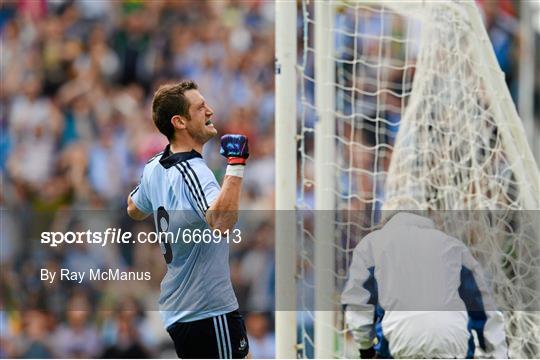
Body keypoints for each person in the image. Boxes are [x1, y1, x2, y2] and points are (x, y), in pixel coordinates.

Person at [127, 80, 249, 358]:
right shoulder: (194, 170)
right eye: (200, 107)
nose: (210, 111)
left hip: (183, 310)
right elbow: (221, 223)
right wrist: (236, 165)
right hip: (206, 309)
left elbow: (133, 207)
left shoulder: (155, 165)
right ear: (179, 121)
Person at [341, 198, 507, 359]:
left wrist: (366, 350)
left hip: (399, 345)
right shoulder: (453, 246)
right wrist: (495, 354)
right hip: (453, 345)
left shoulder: (372, 244)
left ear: (383, 223)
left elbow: (357, 305)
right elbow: (484, 308)